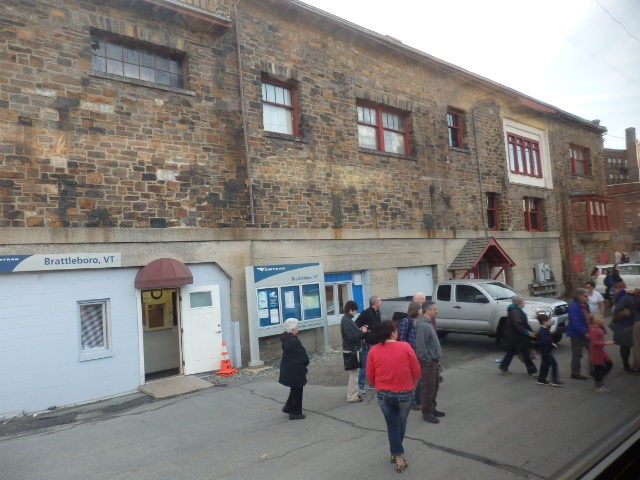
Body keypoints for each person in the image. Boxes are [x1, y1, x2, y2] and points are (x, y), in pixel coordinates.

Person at [366, 320, 421, 473]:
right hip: (405, 393)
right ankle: (398, 456)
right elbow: (417, 371)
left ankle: (395, 452)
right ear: (391, 332)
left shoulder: (373, 350)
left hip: (383, 394)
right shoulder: (405, 346)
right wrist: (413, 387)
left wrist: (378, 386)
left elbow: (370, 376)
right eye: (396, 330)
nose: (398, 332)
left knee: (392, 425)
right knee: (400, 425)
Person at [415, 301, 444, 424]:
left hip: (433, 361)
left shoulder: (429, 323)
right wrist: (428, 361)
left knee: (435, 386)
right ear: (427, 310)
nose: (436, 311)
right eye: (434, 309)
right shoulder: (423, 326)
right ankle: (426, 412)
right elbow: (420, 348)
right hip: (428, 362)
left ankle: (432, 408)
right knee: (428, 388)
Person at [278, 318, 310, 420]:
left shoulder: (286, 339)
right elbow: (303, 356)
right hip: (296, 370)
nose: (298, 329)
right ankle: (295, 413)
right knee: (297, 391)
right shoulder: (293, 341)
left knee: (294, 389)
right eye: (297, 327)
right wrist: (306, 362)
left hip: (290, 368)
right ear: (292, 329)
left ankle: (288, 407)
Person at [498, 296, 537, 377]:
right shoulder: (515, 311)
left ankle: (503, 367)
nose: (524, 303)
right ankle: (532, 371)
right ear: (519, 303)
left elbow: (522, 324)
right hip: (516, 337)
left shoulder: (516, 310)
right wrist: (527, 332)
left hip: (514, 336)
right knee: (525, 353)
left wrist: (529, 332)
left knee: (511, 352)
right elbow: (518, 324)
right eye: (523, 302)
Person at [341, 300, 368, 402]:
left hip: (351, 349)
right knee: (353, 375)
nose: (356, 313)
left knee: (353, 374)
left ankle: (353, 394)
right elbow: (352, 336)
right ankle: (352, 397)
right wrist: (362, 331)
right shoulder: (347, 321)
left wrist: (359, 330)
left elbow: (353, 333)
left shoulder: (347, 320)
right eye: (355, 311)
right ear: (351, 310)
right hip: (351, 350)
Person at [611, 282, 640, 374]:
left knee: (627, 346)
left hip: (626, 324)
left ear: (619, 288)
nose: (614, 291)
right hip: (631, 323)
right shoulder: (632, 294)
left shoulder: (624, 296)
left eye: (615, 289)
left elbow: (616, 310)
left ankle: (629, 366)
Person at [355, 295, 382, 394]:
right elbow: (356, 325)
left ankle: (372, 384)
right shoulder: (366, 312)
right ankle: (361, 385)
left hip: (376, 342)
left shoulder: (377, 312)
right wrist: (362, 336)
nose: (381, 302)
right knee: (365, 365)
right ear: (375, 303)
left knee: (375, 365)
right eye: (380, 301)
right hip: (367, 343)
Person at [398, 301, 422, 409]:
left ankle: (418, 399)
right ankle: (411, 402)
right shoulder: (406, 321)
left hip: (418, 353)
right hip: (410, 354)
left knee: (418, 377)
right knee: (412, 379)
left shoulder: (419, 321)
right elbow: (402, 339)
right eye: (420, 308)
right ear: (415, 310)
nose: (422, 310)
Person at [566, 288, 591, 380]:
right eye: (585, 296)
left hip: (586, 331)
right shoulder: (573, 306)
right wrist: (585, 332)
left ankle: (593, 370)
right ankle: (575, 372)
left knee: (592, 351)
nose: (587, 298)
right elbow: (576, 322)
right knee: (577, 354)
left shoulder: (584, 305)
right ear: (578, 296)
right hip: (577, 334)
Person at [588, 314, 614, 392]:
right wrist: (607, 342)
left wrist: (602, 327)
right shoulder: (594, 330)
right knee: (599, 368)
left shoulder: (598, 328)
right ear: (597, 322)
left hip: (600, 351)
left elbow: (604, 333)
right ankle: (598, 385)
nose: (604, 320)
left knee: (609, 364)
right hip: (596, 352)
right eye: (602, 319)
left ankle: (598, 377)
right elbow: (594, 343)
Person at [535, 314, 563, 387]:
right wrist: (551, 344)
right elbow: (545, 341)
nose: (550, 321)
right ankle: (555, 381)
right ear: (544, 322)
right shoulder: (542, 331)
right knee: (554, 365)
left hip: (545, 351)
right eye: (549, 320)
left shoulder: (544, 330)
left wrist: (552, 342)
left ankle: (541, 380)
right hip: (546, 351)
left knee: (545, 365)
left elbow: (548, 339)